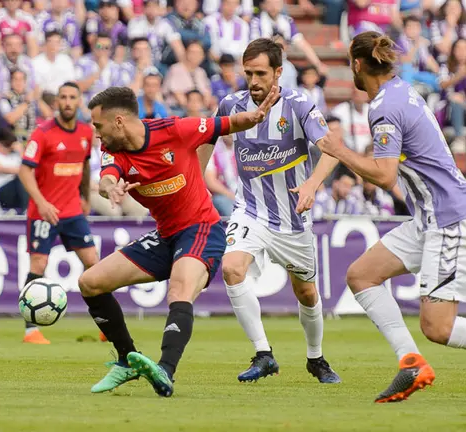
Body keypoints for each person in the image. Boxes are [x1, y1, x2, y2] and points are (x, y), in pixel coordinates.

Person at [316, 31, 466, 404]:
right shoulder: (401, 89)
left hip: (450, 219)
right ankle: (410, 363)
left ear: (358, 64)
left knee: (437, 327)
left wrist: (339, 150)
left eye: (351, 63)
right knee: (362, 275)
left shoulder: (383, 106)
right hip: (431, 218)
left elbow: (383, 175)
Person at [81, 84, 279, 397]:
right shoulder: (113, 150)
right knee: (90, 282)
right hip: (166, 235)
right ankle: (126, 360)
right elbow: (107, 177)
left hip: (201, 228)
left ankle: (166, 370)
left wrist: (256, 115)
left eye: (98, 125)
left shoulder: (175, 129)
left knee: (179, 289)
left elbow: (226, 124)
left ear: (118, 121)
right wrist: (109, 188)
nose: (96, 133)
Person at [215, 38, 341, 384]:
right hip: (250, 211)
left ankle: (315, 358)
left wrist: (313, 184)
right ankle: (263, 354)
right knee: (231, 268)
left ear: (278, 72)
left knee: (307, 293)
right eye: (248, 73)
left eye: (260, 73)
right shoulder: (230, 104)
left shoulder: (299, 105)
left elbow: (332, 151)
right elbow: (204, 140)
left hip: (293, 219)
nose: (253, 81)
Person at [18, 82, 98, 345]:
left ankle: (104, 325)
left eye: (72, 97)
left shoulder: (86, 132)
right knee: (38, 266)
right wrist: (41, 202)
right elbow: (24, 171)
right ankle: (31, 331)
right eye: (62, 97)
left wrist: (85, 197)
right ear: (56, 102)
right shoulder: (42, 133)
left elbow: (84, 167)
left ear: (79, 102)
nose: (66, 101)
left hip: (73, 211)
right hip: (44, 213)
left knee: (94, 265)